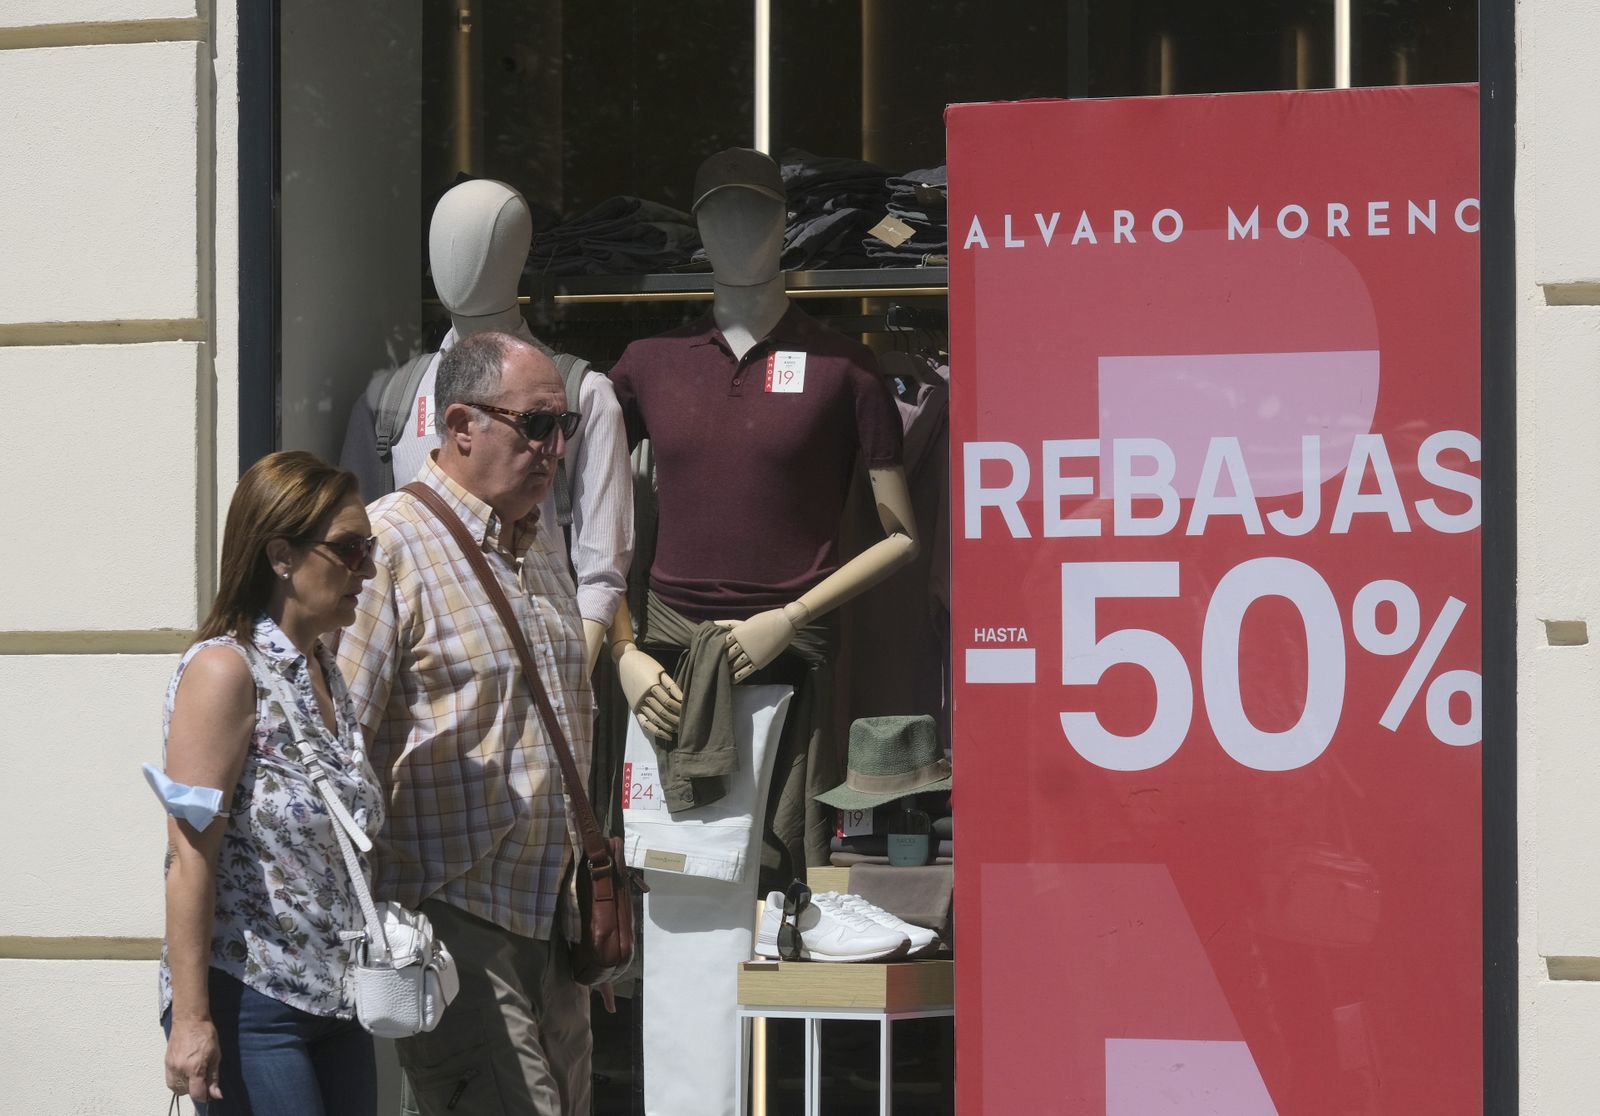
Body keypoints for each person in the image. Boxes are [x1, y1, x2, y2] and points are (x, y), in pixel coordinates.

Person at [338, 330, 595, 1116]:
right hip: (455, 910)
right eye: (538, 426)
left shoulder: (535, 548)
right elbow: (340, 735)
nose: (555, 449)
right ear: (460, 426)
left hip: (556, 914)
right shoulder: (388, 545)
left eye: (566, 428)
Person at [157, 450, 384, 1114]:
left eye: (369, 547)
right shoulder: (226, 672)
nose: (367, 568)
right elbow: (187, 852)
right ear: (280, 555)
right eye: (348, 549)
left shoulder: (322, 669)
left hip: (337, 1001)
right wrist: (194, 1021)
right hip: (252, 1003)